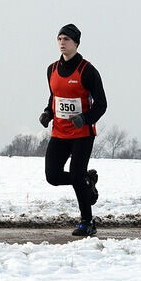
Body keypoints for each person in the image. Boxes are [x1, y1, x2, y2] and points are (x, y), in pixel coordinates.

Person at [38, 24, 106, 236]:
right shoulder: (51, 69)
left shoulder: (88, 71)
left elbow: (102, 104)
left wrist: (85, 118)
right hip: (59, 133)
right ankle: (87, 180)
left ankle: (87, 222)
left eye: (66, 39)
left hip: (82, 134)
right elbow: (55, 97)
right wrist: (48, 113)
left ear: (76, 43)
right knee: (52, 176)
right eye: (59, 39)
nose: (62, 43)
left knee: (76, 174)